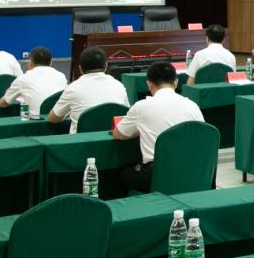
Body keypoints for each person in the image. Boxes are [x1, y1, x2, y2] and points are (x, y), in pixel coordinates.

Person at [112, 62, 204, 193]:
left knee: (121, 175)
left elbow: (118, 134)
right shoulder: (192, 105)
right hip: (193, 171)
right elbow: (202, 136)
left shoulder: (141, 106)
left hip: (159, 175)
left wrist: (140, 130)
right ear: (176, 82)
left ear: (149, 84)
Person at [48, 47, 129, 133]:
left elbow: (53, 118)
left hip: (81, 141)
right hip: (112, 139)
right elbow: (126, 113)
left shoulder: (73, 88)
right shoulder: (119, 85)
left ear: (80, 68)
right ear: (106, 65)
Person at [0, 46, 66, 114]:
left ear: (30, 62)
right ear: (51, 62)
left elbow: (3, 104)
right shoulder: (62, 76)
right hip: (61, 119)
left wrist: (9, 94)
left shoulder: (23, 78)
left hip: (34, 119)